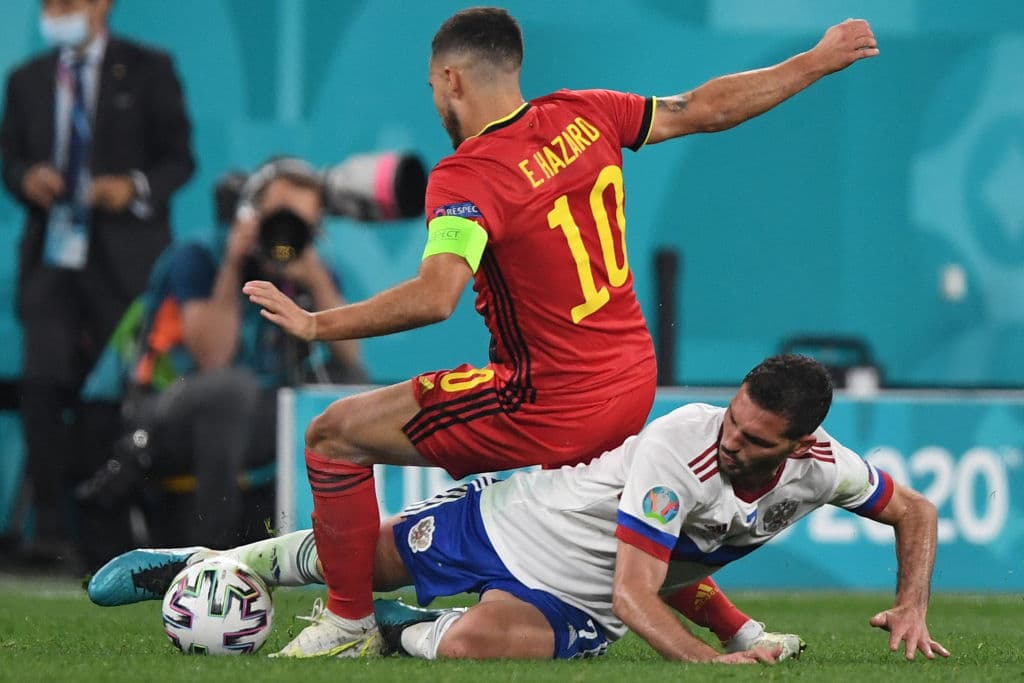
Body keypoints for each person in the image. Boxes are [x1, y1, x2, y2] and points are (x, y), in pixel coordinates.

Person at [240, 7, 880, 656]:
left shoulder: (467, 175)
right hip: (630, 378)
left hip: (547, 400)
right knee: (627, 515)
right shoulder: (586, 113)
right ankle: (737, 630)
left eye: (433, 86)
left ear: (452, 79)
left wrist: (317, 322)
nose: (435, 100)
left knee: (334, 435)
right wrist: (816, 60)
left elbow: (435, 297)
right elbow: (704, 108)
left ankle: (349, 623)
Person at [88, 355, 949, 664]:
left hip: (575, 598)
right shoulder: (680, 448)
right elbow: (642, 591)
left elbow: (916, 511)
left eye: (755, 439)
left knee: (470, 645)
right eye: (732, 419)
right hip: (512, 518)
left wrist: (911, 602)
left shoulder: (824, 471)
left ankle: (386, 631)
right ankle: (219, 564)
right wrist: (710, 658)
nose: (732, 442)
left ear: (799, 446)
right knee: (357, 558)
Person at [75, 157, 368, 550]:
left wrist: (315, 282)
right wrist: (233, 265)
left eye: (300, 224)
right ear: (250, 213)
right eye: (279, 217)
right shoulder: (200, 256)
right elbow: (212, 359)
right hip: (162, 412)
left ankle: (330, 543)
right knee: (231, 389)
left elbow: (351, 357)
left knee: (352, 393)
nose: (285, 233)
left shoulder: (309, 265)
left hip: (249, 418)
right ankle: (213, 550)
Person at [0, 0, 194, 570]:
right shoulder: (26, 79)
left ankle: (105, 533)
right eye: (49, 4)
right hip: (52, 262)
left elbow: (179, 160)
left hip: (125, 263)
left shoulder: (150, 68)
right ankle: (50, 533)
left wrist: (132, 187)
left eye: (69, 2)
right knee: (42, 385)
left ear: (101, 4)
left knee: (111, 396)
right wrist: (25, 178)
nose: (56, 12)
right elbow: (10, 158)